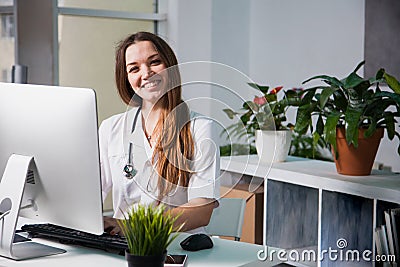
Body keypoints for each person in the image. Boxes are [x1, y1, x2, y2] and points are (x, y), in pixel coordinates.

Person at [99, 31, 220, 235]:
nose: (146, 73)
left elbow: (202, 209)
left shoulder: (200, 128)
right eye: (134, 68)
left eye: (154, 62)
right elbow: (90, 194)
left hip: (177, 248)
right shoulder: (111, 128)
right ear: (127, 79)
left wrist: (136, 228)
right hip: (122, 246)